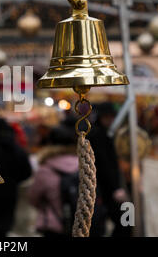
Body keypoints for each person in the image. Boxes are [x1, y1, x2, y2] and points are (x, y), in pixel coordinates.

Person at [88, 102, 131, 237]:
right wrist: (116, 188)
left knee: (126, 221)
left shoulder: (108, 134)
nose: (110, 120)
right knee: (126, 221)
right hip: (106, 189)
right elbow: (105, 165)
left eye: (112, 117)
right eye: (107, 117)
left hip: (110, 187)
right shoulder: (98, 135)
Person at [28, 126, 78, 237]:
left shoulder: (45, 169)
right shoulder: (83, 166)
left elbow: (33, 198)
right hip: (81, 223)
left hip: (54, 225)